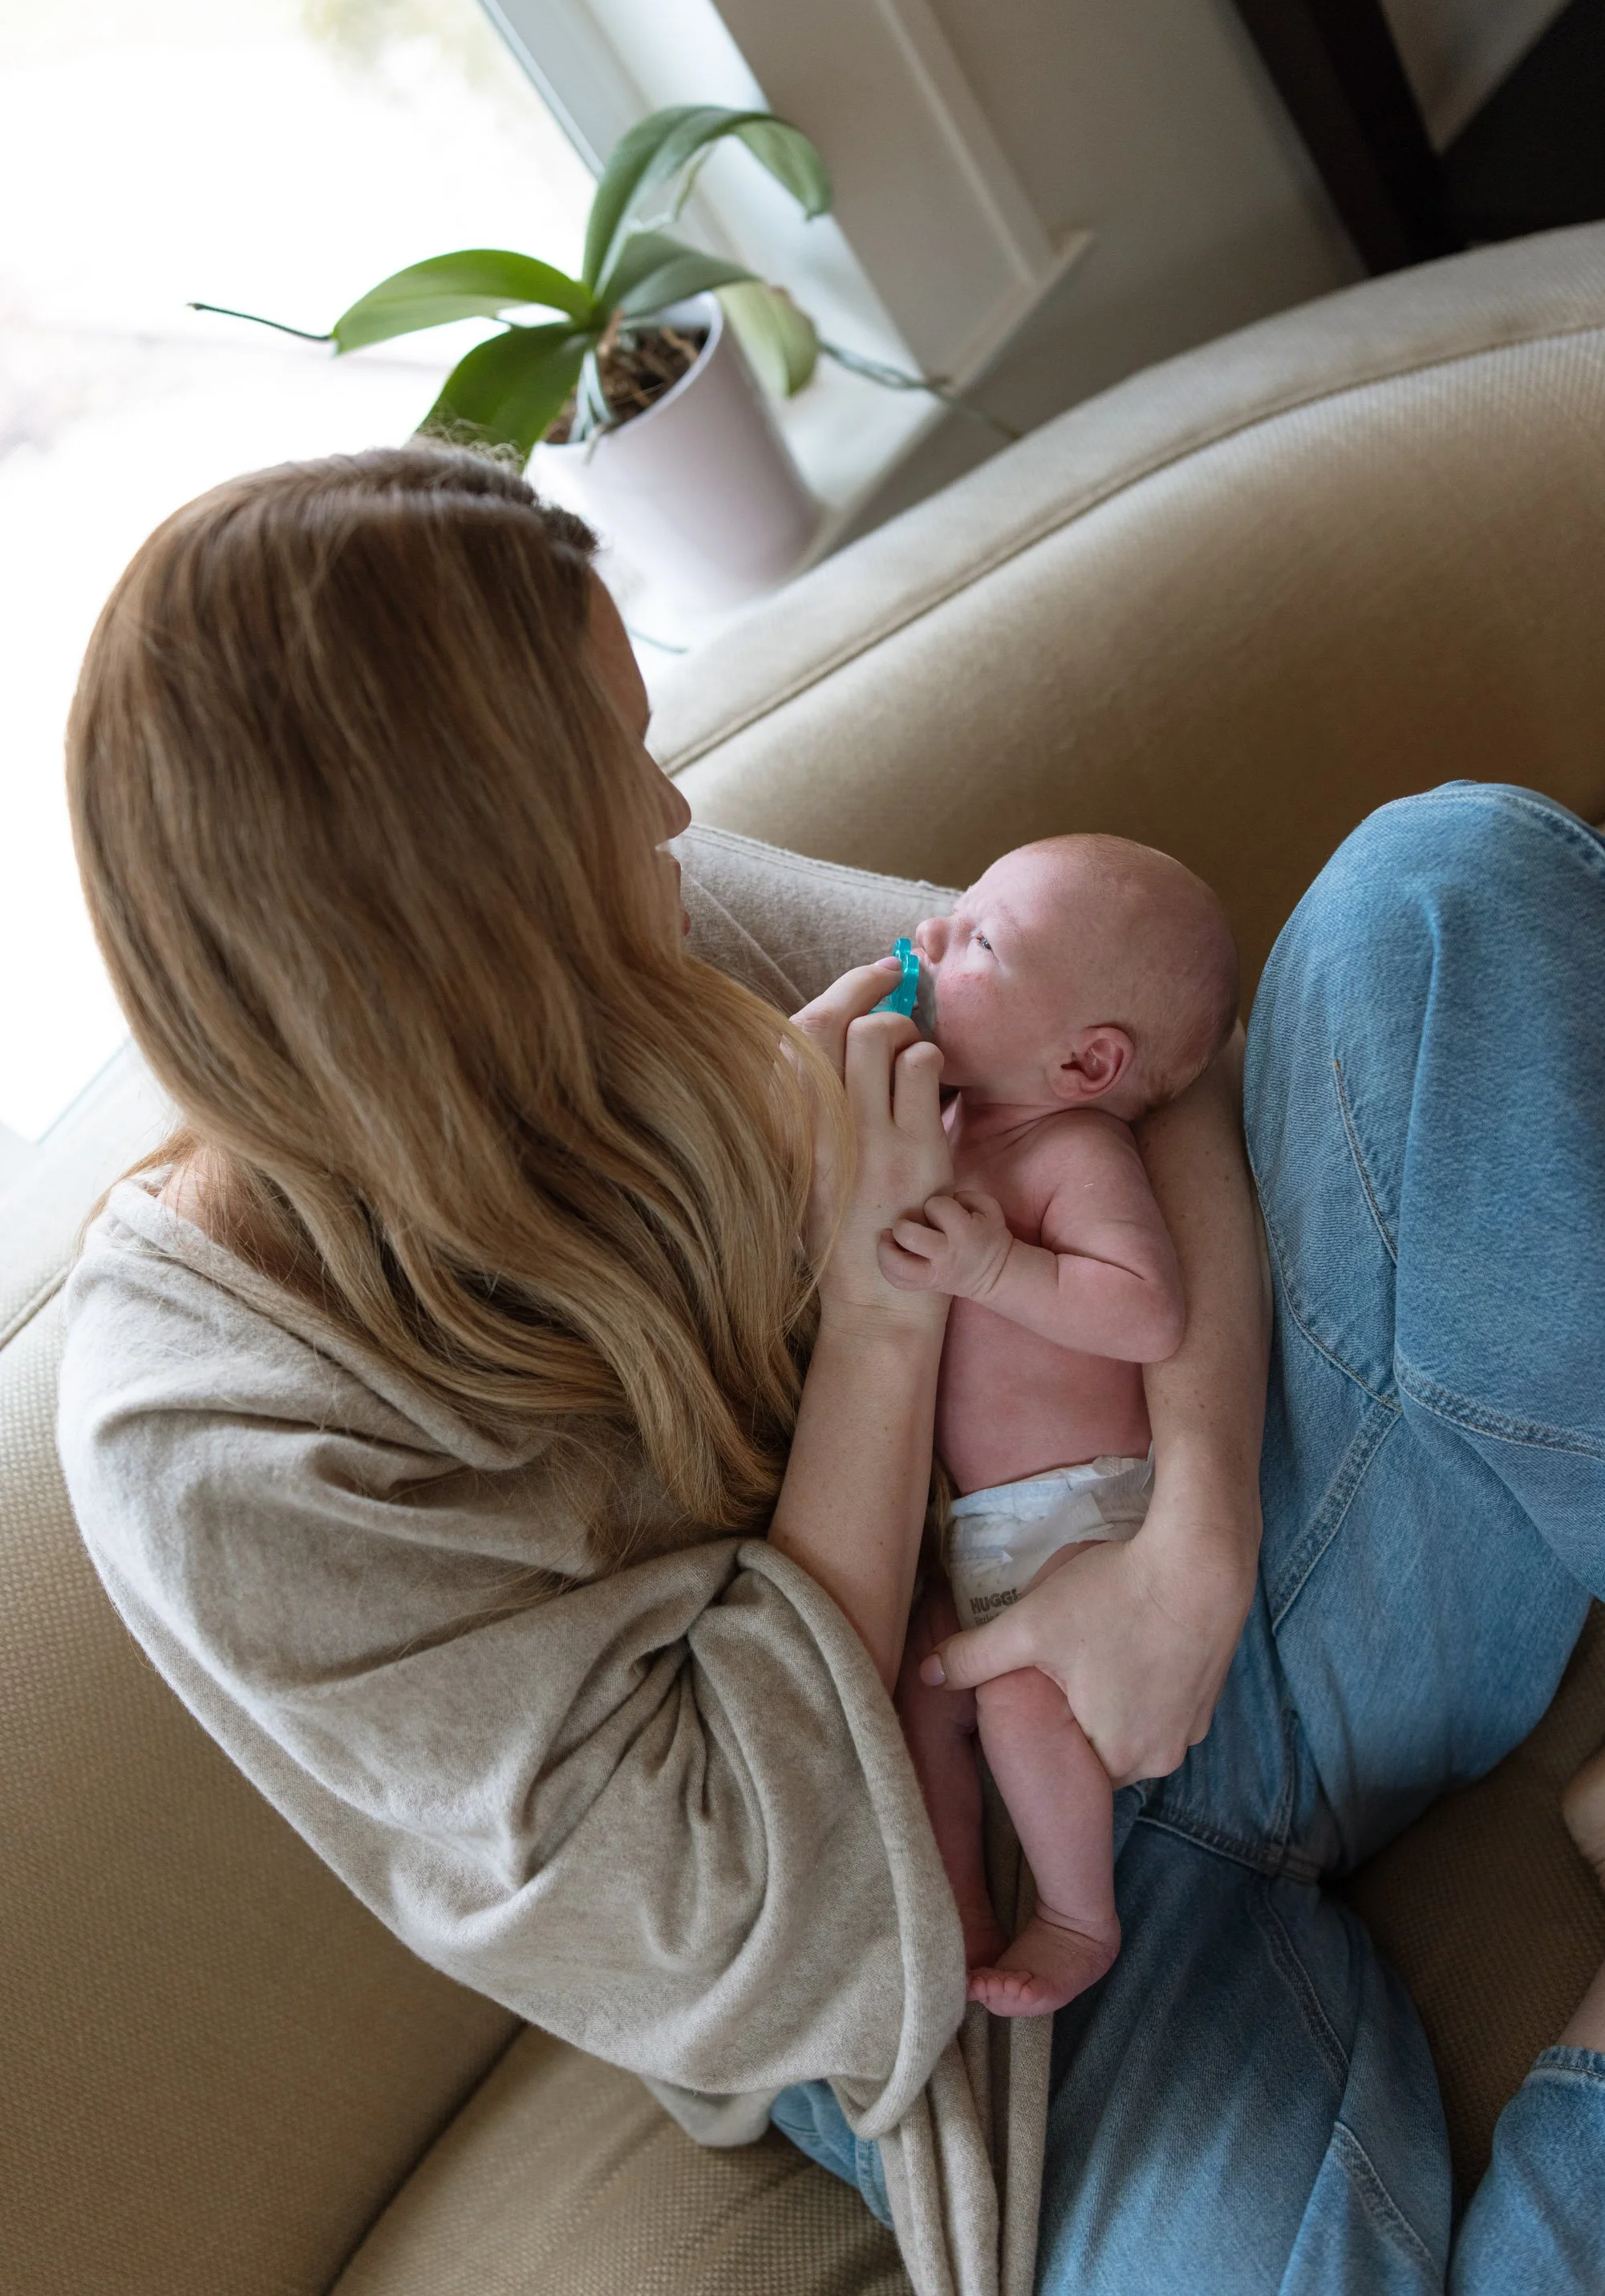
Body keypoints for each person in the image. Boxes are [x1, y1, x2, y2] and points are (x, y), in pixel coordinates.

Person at [55, 446, 1605, 2294]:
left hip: (1248, 1596)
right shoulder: (212, 1426)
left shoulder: (652, 921)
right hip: (965, 1948)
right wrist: (877, 1308)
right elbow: (730, 1893)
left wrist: (1190, 1532)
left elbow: (1137, 1063)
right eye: (606, 775)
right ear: (452, 897)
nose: (670, 805)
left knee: (1438, 903)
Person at [886, 835, 1239, 2017]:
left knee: (1012, 1694)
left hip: (1089, 1518)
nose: (934, 937)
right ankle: (964, 1913)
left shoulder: (1071, 1154)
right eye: (956, 911)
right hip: (987, 1530)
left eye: (982, 941)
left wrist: (995, 1267)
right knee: (920, 1682)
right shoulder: (952, 1124)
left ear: (1087, 1061)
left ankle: (1076, 1914)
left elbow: (1146, 1312)